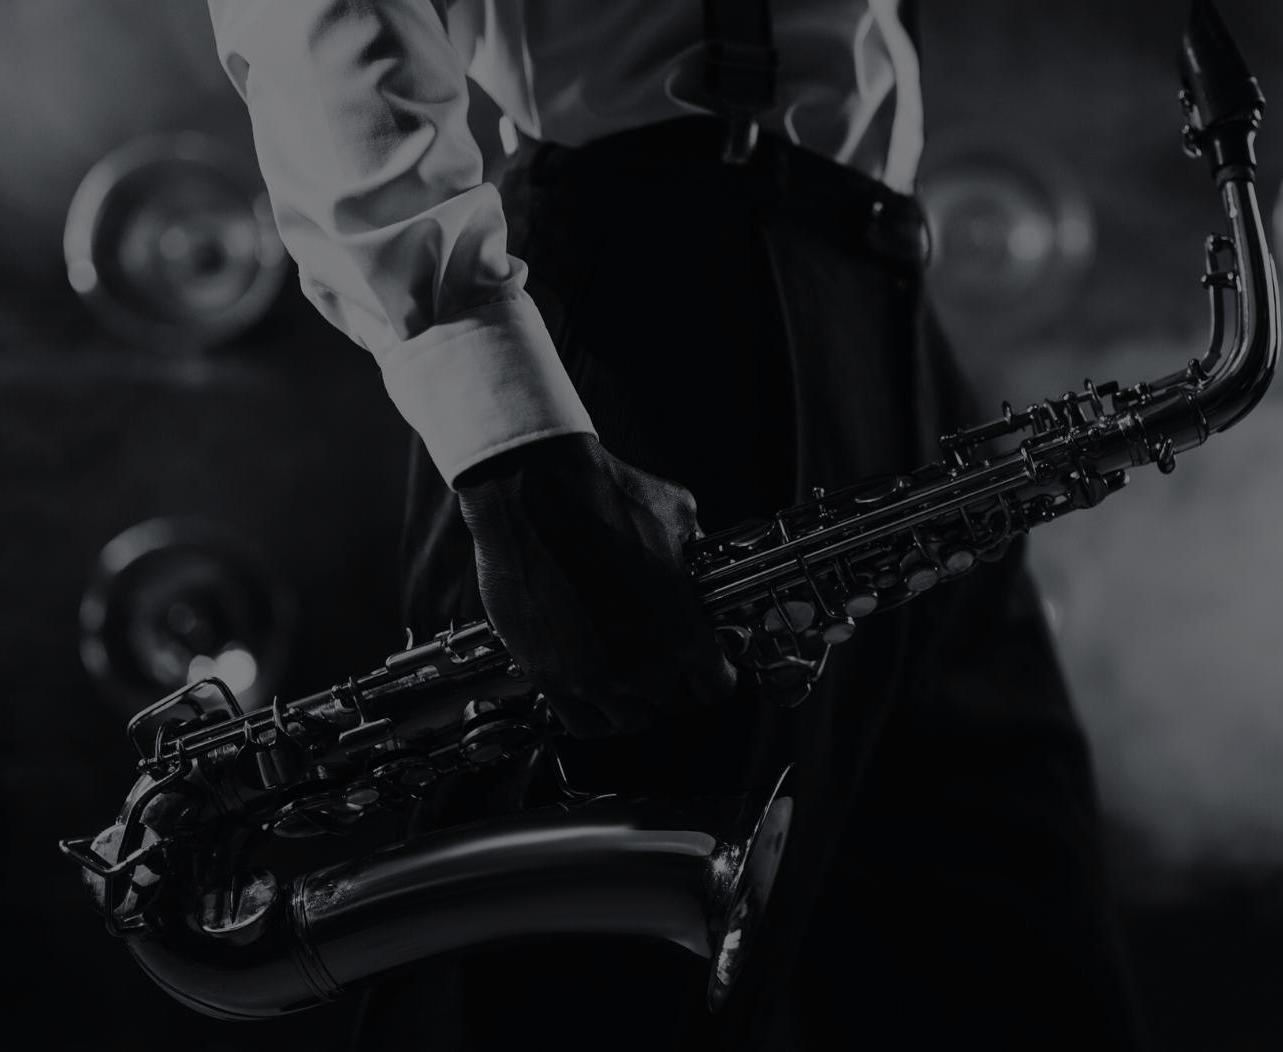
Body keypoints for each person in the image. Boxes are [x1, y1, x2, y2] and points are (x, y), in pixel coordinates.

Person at [205, 2, 1145, 1047]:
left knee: (1027, 984)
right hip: (649, 314)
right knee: (579, 1007)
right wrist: (511, 439)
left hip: (880, 301)